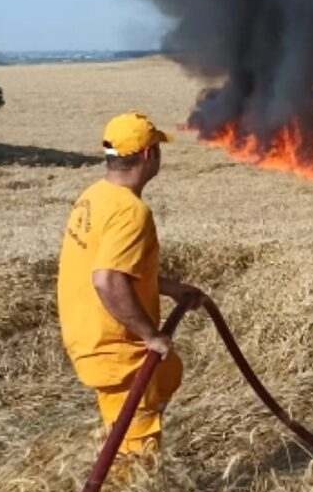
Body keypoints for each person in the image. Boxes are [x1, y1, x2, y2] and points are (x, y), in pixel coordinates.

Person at [57, 111, 204, 456]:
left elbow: (116, 268)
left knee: (169, 370)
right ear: (148, 154)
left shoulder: (95, 195)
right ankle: (122, 491)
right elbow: (107, 279)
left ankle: (115, 436)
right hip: (115, 350)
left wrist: (171, 288)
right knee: (138, 456)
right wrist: (150, 336)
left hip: (87, 333)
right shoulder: (131, 212)